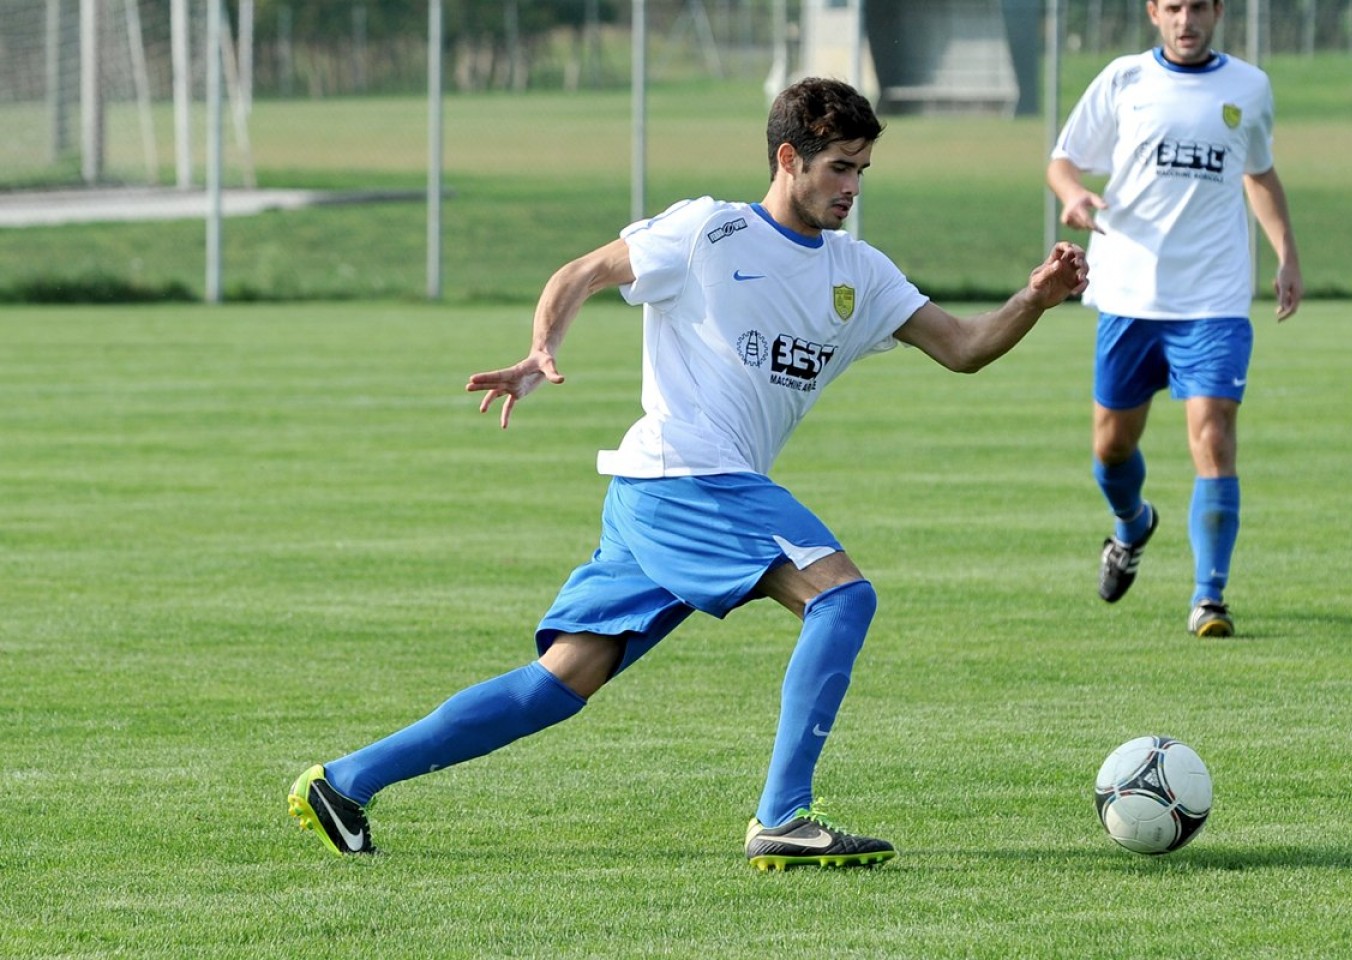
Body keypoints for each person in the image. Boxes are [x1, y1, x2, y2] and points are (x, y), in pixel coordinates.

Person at [288, 76, 1088, 870]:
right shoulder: (709, 233)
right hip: (688, 476)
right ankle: (782, 817)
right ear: (788, 158)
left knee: (560, 681)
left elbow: (964, 346)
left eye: (861, 171)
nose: (851, 187)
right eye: (839, 167)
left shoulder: (861, 274)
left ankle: (346, 782)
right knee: (842, 597)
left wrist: (1035, 298)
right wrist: (542, 348)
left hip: (660, 493)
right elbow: (585, 272)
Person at [1045, 0, 1302, 638]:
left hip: (1214, 297)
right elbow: (1063, 158)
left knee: (1213, 436)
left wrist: (1287, 254)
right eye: (1174, 7)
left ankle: (1209, 599)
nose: (1187, 19)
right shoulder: (1126, 79)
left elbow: (1259, 172)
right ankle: (1133, 525)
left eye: (1198, 7)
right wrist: (1074, 194)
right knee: (1111, 448)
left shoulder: (1249, 86)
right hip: (1129, 292)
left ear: (1217, 12)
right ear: (1155, 13)